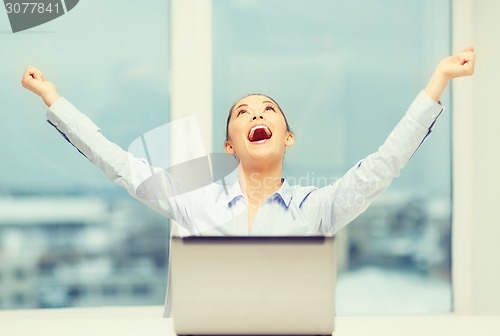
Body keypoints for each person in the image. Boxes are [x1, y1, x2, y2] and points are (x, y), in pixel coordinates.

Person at [21, 47, 475, 315]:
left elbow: (384, 164)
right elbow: (119, 163)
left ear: (288, 137)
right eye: (243, 112)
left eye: (268, 110)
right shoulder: (192, 201)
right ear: (231, 145)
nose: (257, 114)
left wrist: (439, 80)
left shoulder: (318, 208)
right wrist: (52, 98)